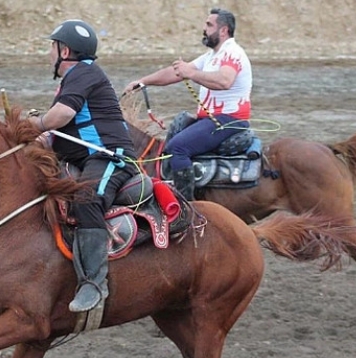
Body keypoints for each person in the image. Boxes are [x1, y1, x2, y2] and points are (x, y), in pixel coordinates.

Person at [28, 19, 138, 313]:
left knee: (86, 197)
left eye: (52, 47)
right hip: (84, 158)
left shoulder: (83, 72)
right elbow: (61, 131)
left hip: (111, 157)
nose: (49, 54)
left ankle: (94, 284)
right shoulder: (74, 78)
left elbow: (59, 117)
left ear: (65, 50)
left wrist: (31, 126)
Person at [123, 8, 252, 200]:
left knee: (178, 148)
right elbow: (175, 73)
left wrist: (190, 73)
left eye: (209, 25)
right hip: (211, 119)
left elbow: (225, 81)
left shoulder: (232, 53)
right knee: (173, 134)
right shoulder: (211, 56)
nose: (204, 29)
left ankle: (187, 206)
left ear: (223, 30)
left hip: (228, 120)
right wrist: (143, 82)